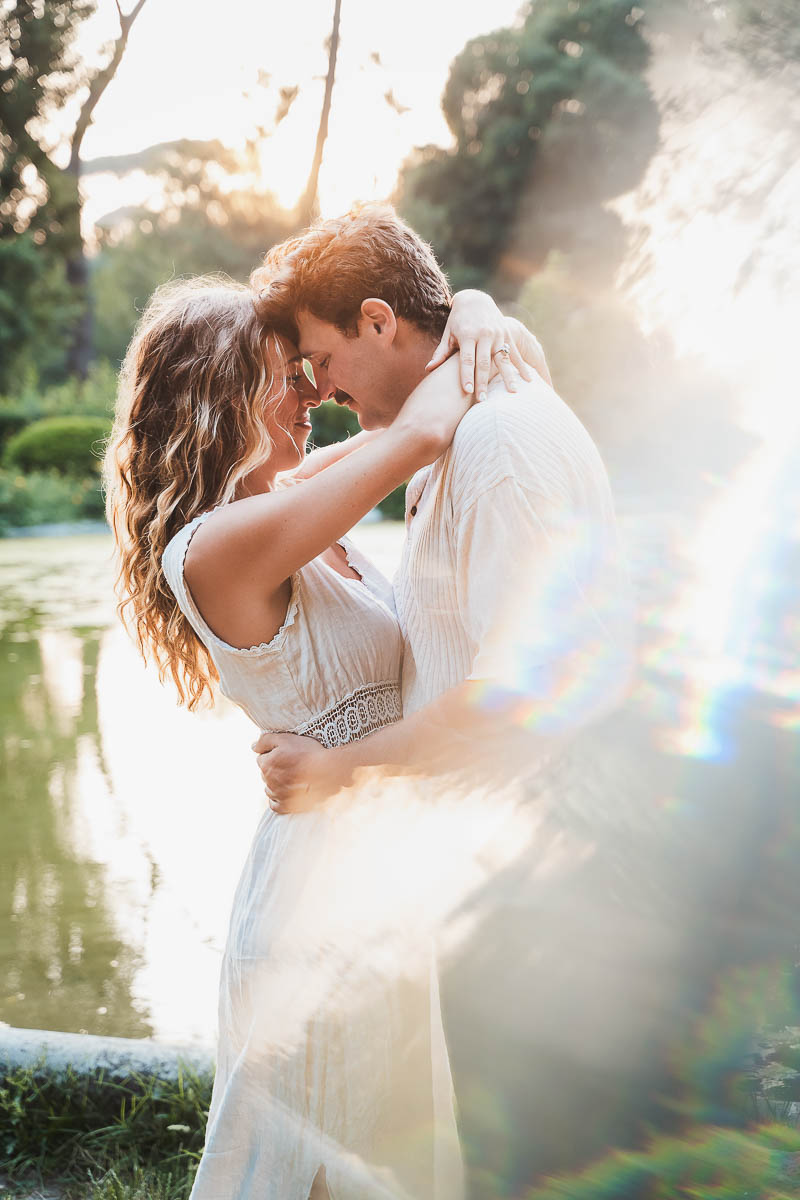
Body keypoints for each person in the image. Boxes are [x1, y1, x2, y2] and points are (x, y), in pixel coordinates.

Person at [103, 271, 545, 1200]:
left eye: (309, 372)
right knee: (310, 1170)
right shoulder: (210, 548)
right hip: (315, 896)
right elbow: (423, 430)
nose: (313, 392)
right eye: (285, 375)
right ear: (220, 395)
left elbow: (411, 389)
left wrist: (469, 307)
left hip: (378, 867)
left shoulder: (300, 493)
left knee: (385, 1159)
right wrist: (468, 329)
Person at [251, 205, 634, 1194]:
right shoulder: (456, 425)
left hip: (538, 895)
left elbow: (515, 700)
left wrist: (339, 768)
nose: (317, 390)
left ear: (380, 320)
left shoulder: (499, 437)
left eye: (319, 359)